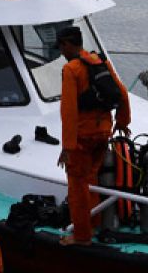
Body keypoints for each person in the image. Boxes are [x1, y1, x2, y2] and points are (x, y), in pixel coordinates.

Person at [56, 25, 131, 246]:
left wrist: (67, 147)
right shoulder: (100, 62)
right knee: (91, 178)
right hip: (103, 133)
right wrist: (123, 122)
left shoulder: (72, 69)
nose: (61, 52)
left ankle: (81, 236)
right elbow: (123, 93)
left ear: (68, 44)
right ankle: (95, 222)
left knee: (77, 186)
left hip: (82, 138)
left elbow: (68, 111)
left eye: (61, 47)